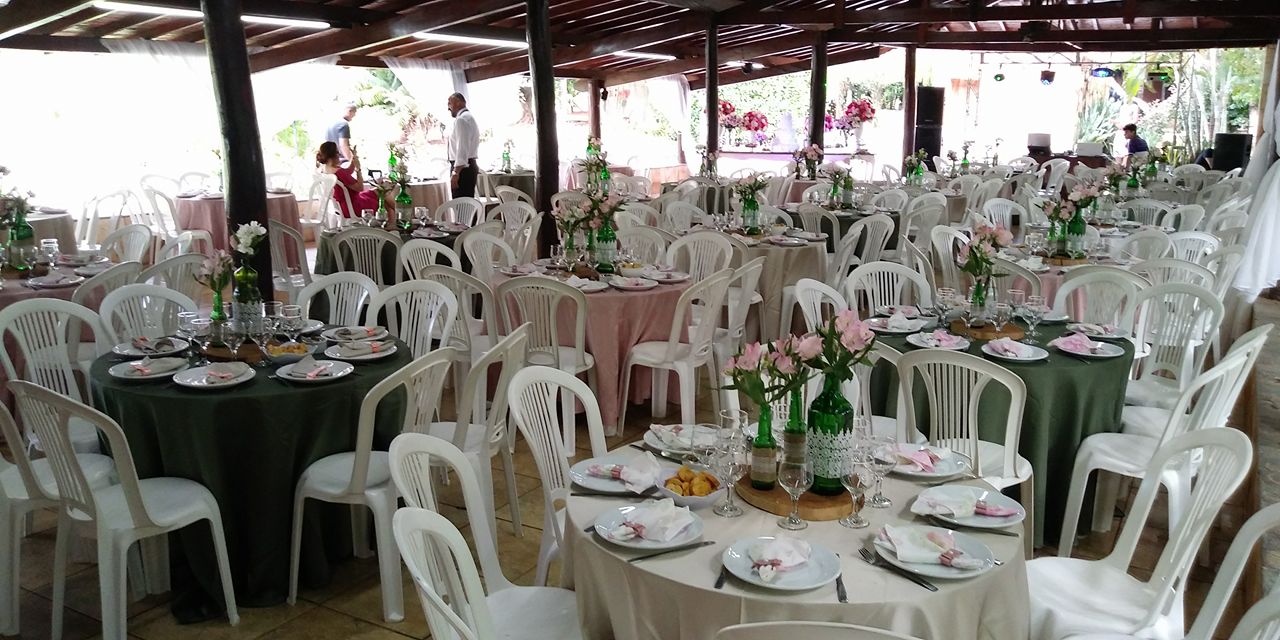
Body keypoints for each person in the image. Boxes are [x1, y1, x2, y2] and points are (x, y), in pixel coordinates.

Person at [316, 141, 376, 218]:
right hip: (352, 207)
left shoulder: (325, 170)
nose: (339, 155)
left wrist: (353, 156)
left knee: (375, 192)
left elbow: (348, 171)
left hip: (343, 206)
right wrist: (358, 169)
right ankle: (390, 224)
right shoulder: (338, 172)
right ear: (334, 155)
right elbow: (360, 188)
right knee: (382, 198)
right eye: (337, 152)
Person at [447, 92, 480, 197]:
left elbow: (462, 148)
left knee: (461, 206)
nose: (448, 108)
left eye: (449, 103)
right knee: (467, 207)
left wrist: (455, 173)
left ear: (458, 103)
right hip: (468, 166)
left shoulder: (462, 120)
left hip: (463, 170)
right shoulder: (469, 118)